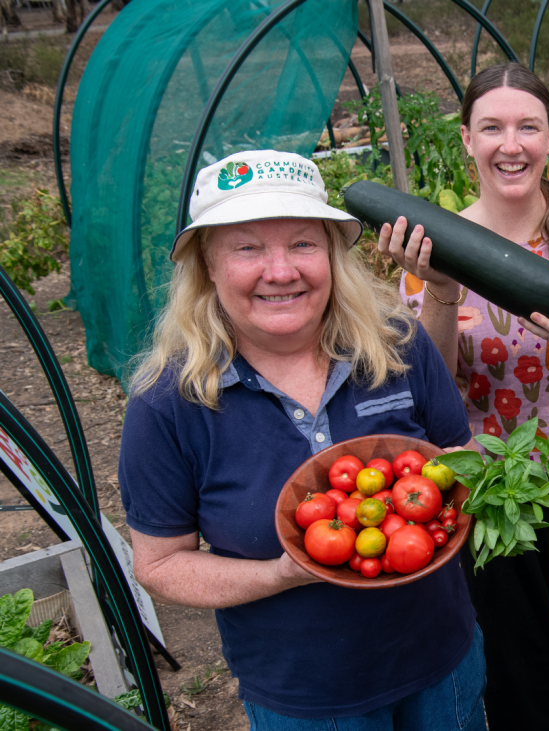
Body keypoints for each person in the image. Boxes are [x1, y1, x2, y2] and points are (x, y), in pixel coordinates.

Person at [119, 150, 486, 729]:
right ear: (207, 265)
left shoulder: (398, 346)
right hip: (307, 700)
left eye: (302, 243)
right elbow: (160, 565)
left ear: (333, 257)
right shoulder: (168, 403)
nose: (282, 270)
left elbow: (459, 464)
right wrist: (279, 573)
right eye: (247, 247)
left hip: (442, 665)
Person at [379, 62, 549, 731]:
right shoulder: (432, 244)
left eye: (528, 126)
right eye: (491, 127)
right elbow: (428, 389)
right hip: (498, 501)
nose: (510, 144)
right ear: (467, 138)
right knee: (525, 686)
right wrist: (439, 290)